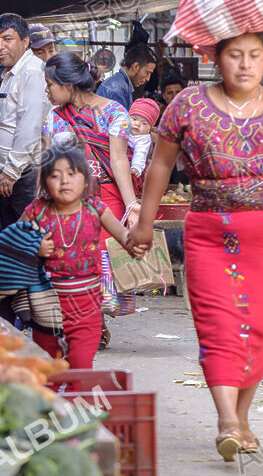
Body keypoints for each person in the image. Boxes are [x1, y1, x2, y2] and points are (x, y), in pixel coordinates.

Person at [132, 32, 263, 461]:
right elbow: (160, 164)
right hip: (208, 233)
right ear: (216, 58)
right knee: (216, 325)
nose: (246, 64)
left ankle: (244, 416)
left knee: (258, 329)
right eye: (235, 55)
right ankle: (226, 420)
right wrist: (144, 223)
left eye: (254, 55)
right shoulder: (188, 105)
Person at [42, 52, 138, 348]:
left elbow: (119, 161)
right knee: (68, 265)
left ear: (68, 84)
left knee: (98, 266)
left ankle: (93, 323)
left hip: (105, 197)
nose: (47, 91)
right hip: (66, 201)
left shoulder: (114, 113)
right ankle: (83, 324)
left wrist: (132, 205)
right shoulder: (53, 117)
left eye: (50, 85)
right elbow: (47, 162)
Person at [22, 139, 138, 368]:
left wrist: (139, 238)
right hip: (46, 310)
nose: (64, 181)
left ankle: (80, 402)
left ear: (86, 178)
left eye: (72, 174)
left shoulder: (97, 209)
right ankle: (55, 403)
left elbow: (125, 238)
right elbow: (12, 245)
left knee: (81, 367)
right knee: (50, 371)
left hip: (86, 309)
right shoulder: (37, 210)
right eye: (55, 175)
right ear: (44, 180)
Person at [0, 13, 48, 241]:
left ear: (25, 41)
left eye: (7, 39)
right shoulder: (12, 72)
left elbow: (29, 127)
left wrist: (10, 172)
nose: (0, 46)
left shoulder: (32, 72)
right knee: (14, 243)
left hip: (24, 177)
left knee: (28, 243)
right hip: (11, 176)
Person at [97, 43, 157, 110]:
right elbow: (120, 120)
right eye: (147, 73)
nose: (148, 78)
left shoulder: (120, 83)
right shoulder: (119, 88)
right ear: (135, 67)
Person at [128, 98, 161, 194]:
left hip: (133, 169)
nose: (137, 124)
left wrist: (136, 167)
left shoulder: (144, 139)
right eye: (134, 119)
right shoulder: (122, 128)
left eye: (144, 123)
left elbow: (140, 153)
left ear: (150, 129)